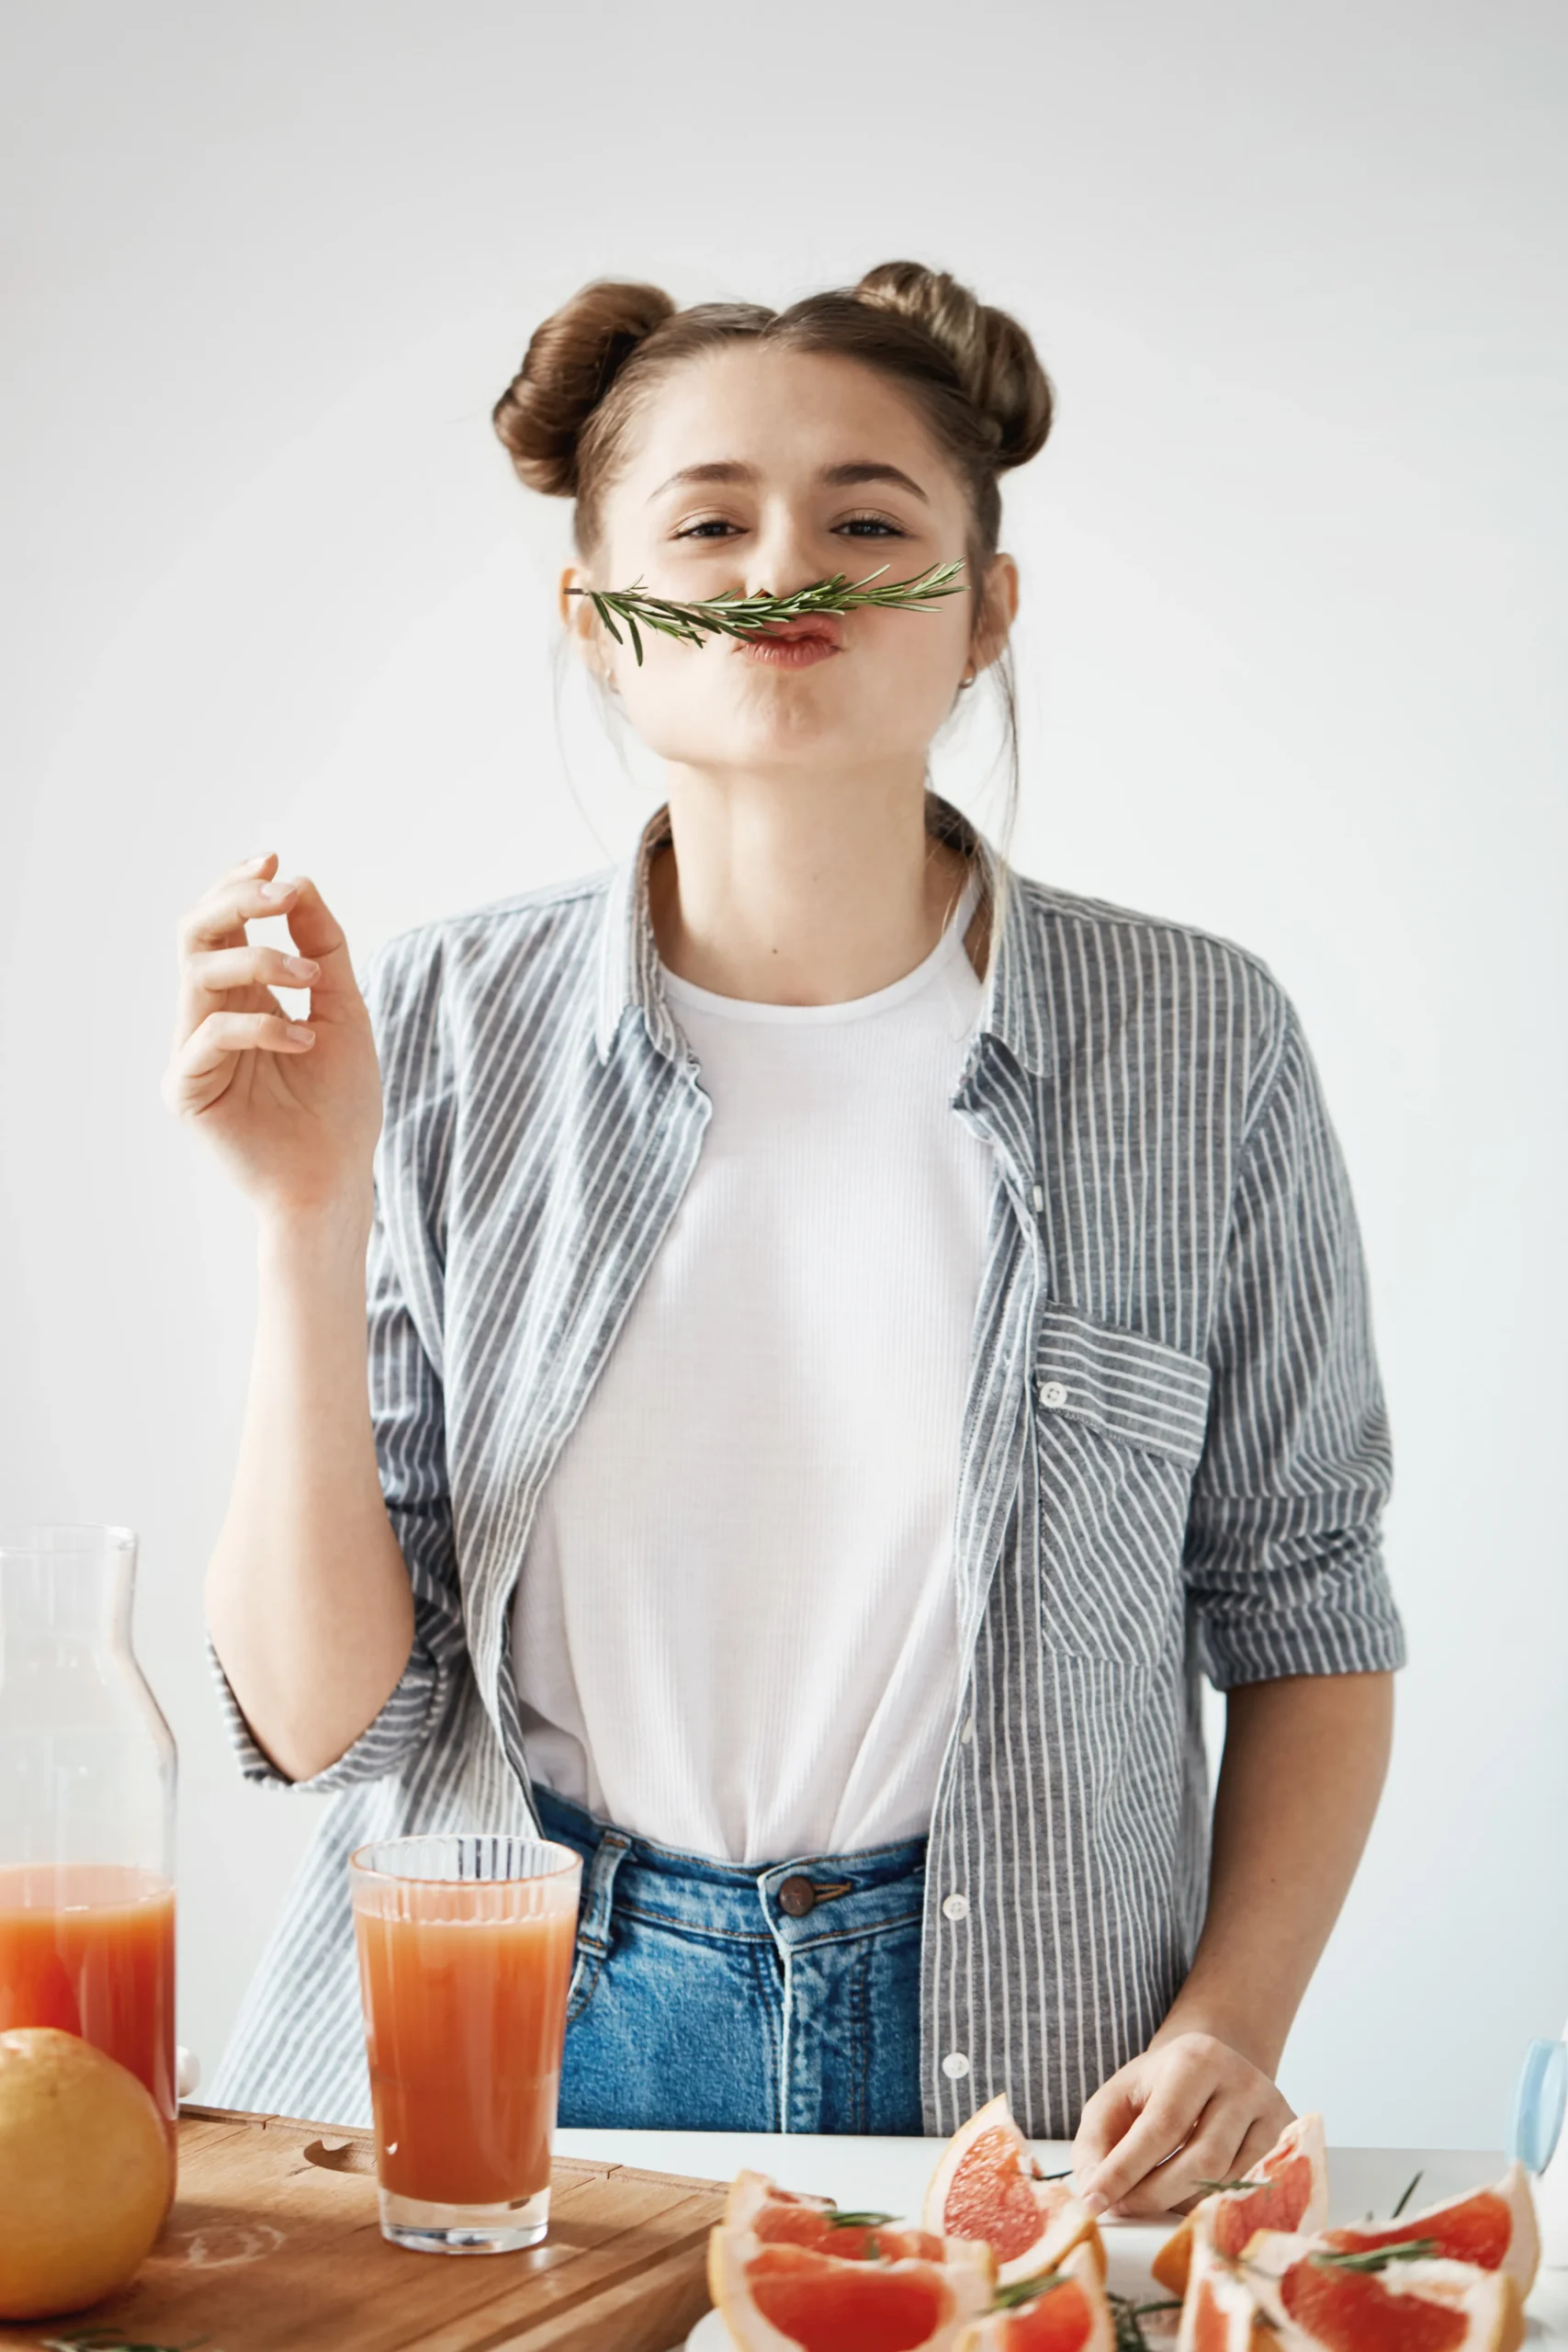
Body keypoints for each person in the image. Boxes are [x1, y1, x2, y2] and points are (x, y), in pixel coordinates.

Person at [163, 261, 1404, 2216]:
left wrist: (1232, 2020)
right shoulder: (447, 1027)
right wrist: (303, 1215)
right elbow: (328, 1718)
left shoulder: (1202, 1039)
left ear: (984, 610)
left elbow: (1309, 1612)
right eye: (710, 519)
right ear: (598, 619)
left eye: (866, 519)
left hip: (1021, 2051)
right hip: (505, 2032)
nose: (784, 567)